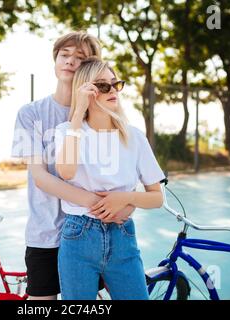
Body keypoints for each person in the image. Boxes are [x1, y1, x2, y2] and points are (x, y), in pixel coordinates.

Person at [11, 32, 135, 300]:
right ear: (55, 59)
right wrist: (99, 204)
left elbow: (123, 174)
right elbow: (41, 178)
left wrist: (127, 203)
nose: (69, 61)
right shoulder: (31, 113)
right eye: (64, 54)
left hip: (96, 233)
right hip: (46, 233)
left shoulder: (103, 115)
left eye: (79, 58)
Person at [54, 57, 165, 300]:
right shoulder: (67, 131)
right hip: (79, 237)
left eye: (115, 84)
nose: (112, 90)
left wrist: (125, 198)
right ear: (86, 91)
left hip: (122, 236)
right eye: (103, 86)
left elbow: (157, 198)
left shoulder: (133, 136)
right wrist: (78, 114)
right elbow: (66, 172)